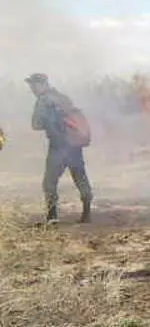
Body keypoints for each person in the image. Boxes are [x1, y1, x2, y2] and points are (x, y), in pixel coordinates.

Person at [28, 73, 93, 224]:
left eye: (33, 85)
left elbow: (36, 125)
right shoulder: (63, 97)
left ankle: (52, 217)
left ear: (41, 84)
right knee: (80, 177)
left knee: (49, 182)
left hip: (58, 146)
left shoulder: (43, 100)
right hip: (74, 144)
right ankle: (87, 213)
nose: (32, 89)